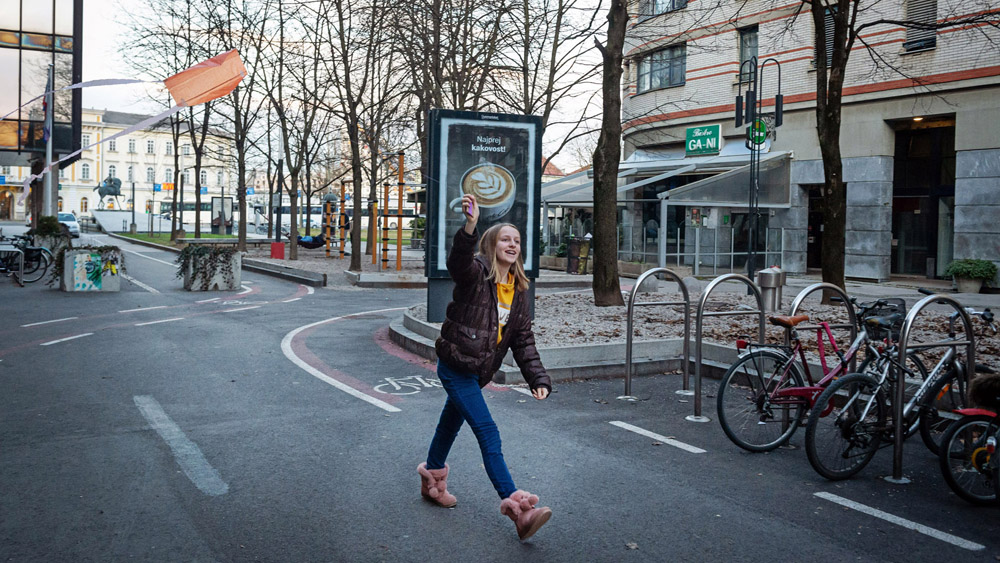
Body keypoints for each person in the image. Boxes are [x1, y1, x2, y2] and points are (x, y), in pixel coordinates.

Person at [418, 193, 553, 541]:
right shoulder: (476, 274)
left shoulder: (519, 291)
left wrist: (537, 377)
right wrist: (471, 226)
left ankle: (432, 477)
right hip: (455, 365)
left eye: (517, 240)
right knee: (487, 431)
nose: (513, 244)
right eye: (506, 239)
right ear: (492, 245)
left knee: (449, 425)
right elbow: (458, 260)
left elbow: (522, 340)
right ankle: (519, 510)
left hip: (477, 372)